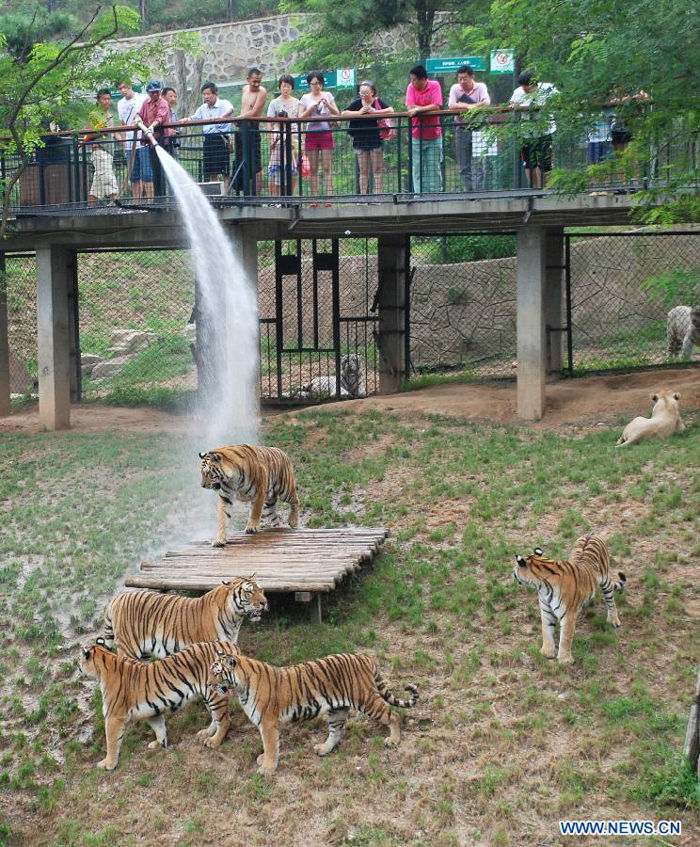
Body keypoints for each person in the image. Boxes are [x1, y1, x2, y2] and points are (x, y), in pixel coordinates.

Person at [341, 80, 394, 195]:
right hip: (360, 139)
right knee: (363, 171)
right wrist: (359, 113)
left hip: (375, 138)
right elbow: (343, 113)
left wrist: (375, 111)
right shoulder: (356, 103)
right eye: (362, 93)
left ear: (372, 92)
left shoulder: (377, 101)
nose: (364, 95)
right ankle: (363, 196)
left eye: (366, 93)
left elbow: (391, 110)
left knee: (377, 169)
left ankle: (379, 196)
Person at [509, 71, 559, 189]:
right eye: (522, 85)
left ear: (533, 83)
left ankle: (547, 189)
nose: (524, 88)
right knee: (529, 163)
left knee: (546, 163)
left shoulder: (548, 88)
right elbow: (512, 104)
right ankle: (534, 190)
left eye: (526, 85)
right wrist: (514, 106)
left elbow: (559, 100)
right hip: (527, 133)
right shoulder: (518, 92)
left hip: (545, 131)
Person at [299, 71, 340, 205]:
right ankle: (314, 198)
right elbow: (300, 117)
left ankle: (329, 197)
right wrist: (310, 109)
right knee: (314, 168)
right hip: (311, 134)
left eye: (319, 84)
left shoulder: (327, 95)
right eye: (314, 84)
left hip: (325, 133)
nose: (317, 86)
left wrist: (327, 105)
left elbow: (337, 113)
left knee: (327, 166)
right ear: (309, 84)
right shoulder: (305, 98)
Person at [448, 64, 490, 191]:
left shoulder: (481, 87)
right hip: (461, 128)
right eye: (459, 78)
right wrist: (468, 106)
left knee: (479, 163)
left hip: (478, 127)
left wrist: (467, 105)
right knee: (463, 164)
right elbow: (451, 105)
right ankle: (469, 191)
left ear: (472, 77)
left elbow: (486, 103)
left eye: (465, 78)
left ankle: (478, 192)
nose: (462, 82)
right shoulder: (455, 88)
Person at [187, 82, 234, 191]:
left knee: (225, 170)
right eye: (204, 94)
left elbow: (230, 110)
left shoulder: (224, 103)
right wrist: (186, 119)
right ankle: (215, 195)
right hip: (208, 140)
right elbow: (194, 118)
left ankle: (226, 196)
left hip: (221, 139)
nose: (206, 97)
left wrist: (220, 118)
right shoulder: (203, 108)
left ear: (215, 93)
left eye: (208, 94)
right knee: (212, 170)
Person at [405, 65, 443, 194]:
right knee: (417, 168)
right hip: (416, 135)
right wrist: (426, 107)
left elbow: (437, 106)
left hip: (434, 134)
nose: (412, 82)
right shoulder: (410, 87)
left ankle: (435, 195)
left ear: (423, 80)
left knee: (434, 167)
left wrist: (418, 109)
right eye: (411, 79)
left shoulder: (434, 85)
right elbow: (410, 107)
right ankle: (418, 195)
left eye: (414, 80)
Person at [233, 68, 268, 195]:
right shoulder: (244, 89)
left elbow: (254, 112)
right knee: (242, 159)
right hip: (242, 127)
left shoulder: (262, 91)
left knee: (255, 163)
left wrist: (238, 118)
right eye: (254, 81)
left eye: (259, 81)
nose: (256, 84)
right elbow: (245, 109)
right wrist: (239, 119)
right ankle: (245, 194)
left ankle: (256, 197)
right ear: (248, 79)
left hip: (252, 127)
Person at [86, 89, 122, 205]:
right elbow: (89, 133)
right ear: (98, 100)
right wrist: (102, 128)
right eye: (104, 99)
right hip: (100, 150)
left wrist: (124, 143)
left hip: (109, 152)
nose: (107, 101)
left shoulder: (110, 115)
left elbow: (114, 132)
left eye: (108, 99)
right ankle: (118, 207)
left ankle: (90, 209)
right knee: (109, 180)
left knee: (97, 186)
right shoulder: (94, 114)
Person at [135, 80, 170, 199]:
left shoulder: (163, 103)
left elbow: (160, 117)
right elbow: (139, 114)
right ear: (148, 92)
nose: (155, 94)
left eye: (157, 92)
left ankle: (163, 200)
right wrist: (138, 118)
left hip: (161, 141)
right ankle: (158, 200)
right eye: (152, 92)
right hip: (150, 142)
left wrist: (151, 127)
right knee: (154, 172)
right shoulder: (146, 102)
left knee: (161, 172)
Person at [267, 74, 301, 196]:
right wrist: (271, 141)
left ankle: (291, 196)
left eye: (288, 86)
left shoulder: (297, 102)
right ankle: (279, 198)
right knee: (278, 170)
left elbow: (300, 122)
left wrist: (301, 140)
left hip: (294, 140)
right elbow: (269, 124)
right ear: (280, 87)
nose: (286, 89)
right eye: (283, 86)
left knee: (293, 169)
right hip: (279, 140)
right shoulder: (274, 103)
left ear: (292, 88)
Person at [161, 87, 179, 158]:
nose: (173, 99)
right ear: (163, 97)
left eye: (175, 97)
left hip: (172, 144)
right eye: (170, 96)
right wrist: (168, 132)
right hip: (161, 144)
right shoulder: (160, 111)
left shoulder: (173, 112)